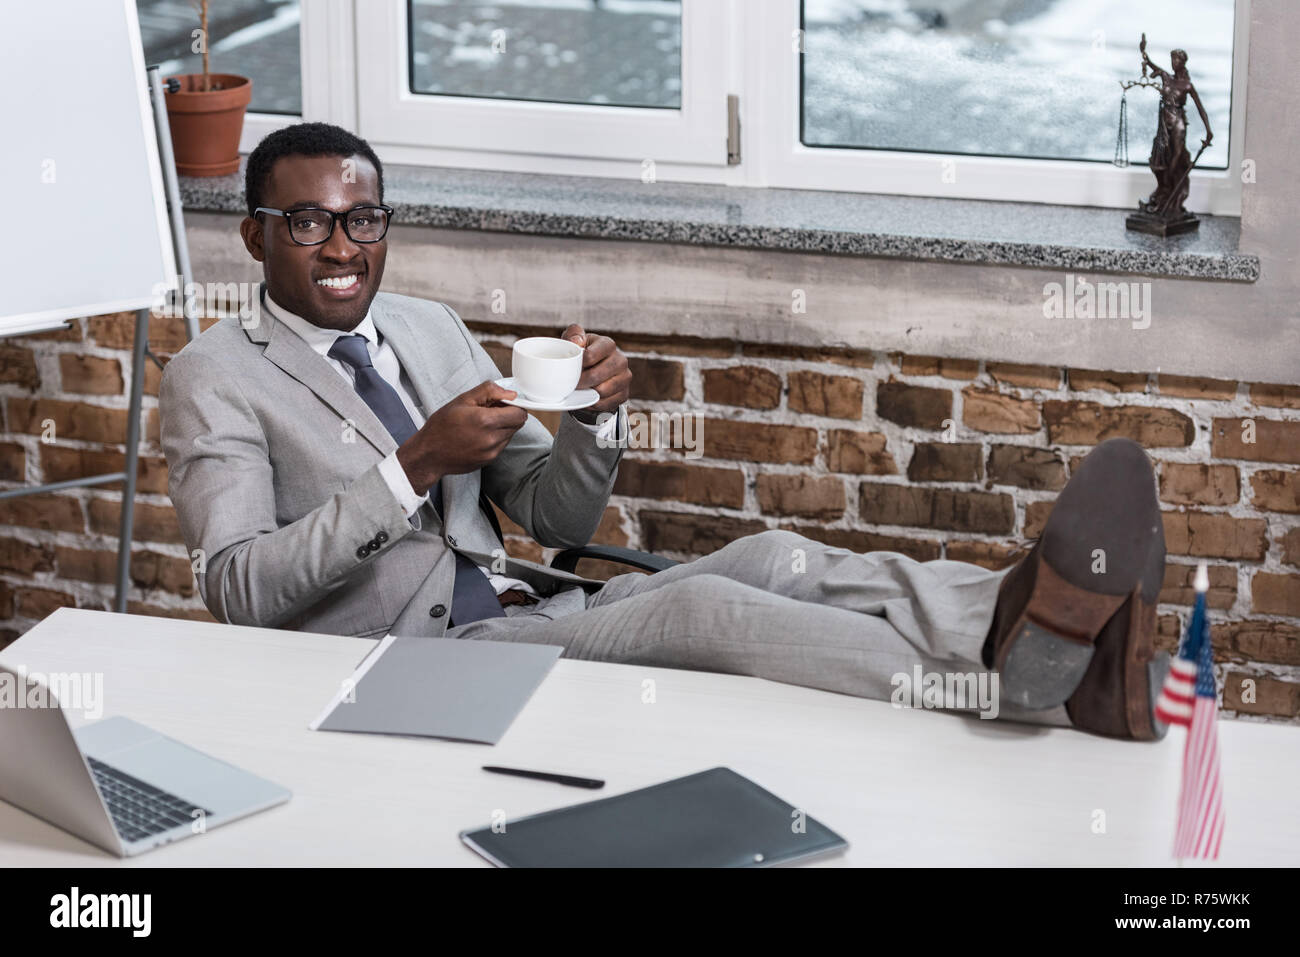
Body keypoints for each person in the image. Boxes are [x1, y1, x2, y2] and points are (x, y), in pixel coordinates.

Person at [160, 123, 1169, 742]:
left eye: (363, 219)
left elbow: (553, 512)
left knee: (768, 556)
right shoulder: (214, 378)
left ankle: (1028, 611)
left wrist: (596, 419)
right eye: (308, 223)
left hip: (534, 608)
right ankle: (1031, 695)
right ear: (254, 234)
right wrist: (411, 464)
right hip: (411, 665)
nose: (342, 247)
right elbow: (238, 590)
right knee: (705, 618)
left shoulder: (426, 326)